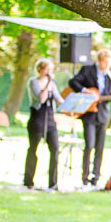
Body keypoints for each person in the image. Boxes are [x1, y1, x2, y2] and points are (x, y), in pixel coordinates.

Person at [68, 48, 111, 186]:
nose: (107, 66)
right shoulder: (87, 70)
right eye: (105, 62)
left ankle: (96, 177)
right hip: (89, 114)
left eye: (109, 63)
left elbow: (110, 95)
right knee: (89, 145)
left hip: (103, 114)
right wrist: (85, 91)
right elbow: (73, 82)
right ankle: (85, 176)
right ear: (99, 61)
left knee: (100, 147)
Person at [24, 59, 64, 190]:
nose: (48, 73)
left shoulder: (52, 84)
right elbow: (40, 99)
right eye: (46, 69)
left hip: (50, 120)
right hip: (37, 119)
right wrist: (47, 85)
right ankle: (28, 180)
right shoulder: (33, 82)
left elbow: (58, 99)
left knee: (55, 149)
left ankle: (53, 183)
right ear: (40, 70)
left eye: (50, 70)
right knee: (33, 149)